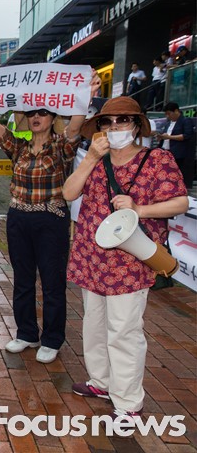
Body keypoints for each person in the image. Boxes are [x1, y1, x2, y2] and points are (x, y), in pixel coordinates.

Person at [64, 96, 188, 420]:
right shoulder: (94, 158)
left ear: (136, 126)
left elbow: (180, 202)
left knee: (124, 330)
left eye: (123, 120)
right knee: (93, 325)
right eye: (107, 121)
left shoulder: (156, 159)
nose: (115, 126)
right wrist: (92, 157)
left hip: (130, 261)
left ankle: (128, 402)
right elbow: (68, 193)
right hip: (91, 258)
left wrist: (139, 209)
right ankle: (101, 382)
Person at [0, 72, 101, 364]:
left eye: (43, 112)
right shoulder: (19, 147)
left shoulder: (62, 146)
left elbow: (76, 125)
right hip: (18, 219)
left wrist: (86, 93)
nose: (37, 117)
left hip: (51, 219)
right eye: (32, 113)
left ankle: (52, 339)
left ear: (53, 117)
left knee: (52, 281)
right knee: (22, 279)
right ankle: (26, 333)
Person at [159, 102, 195, 187]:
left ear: (176, 111)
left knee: (177, 174)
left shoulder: (185, 121)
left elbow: (186, 135)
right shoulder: (168, 123)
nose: (168, 116)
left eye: (169, 113)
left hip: (178, 153)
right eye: (166, 114)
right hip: (165, 151)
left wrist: (169, 137)